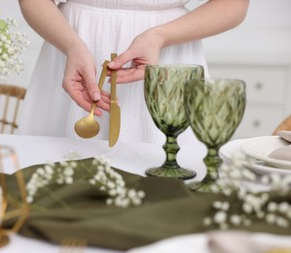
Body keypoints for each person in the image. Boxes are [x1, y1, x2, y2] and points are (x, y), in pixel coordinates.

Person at [17, 0, 249, 145]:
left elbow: (234, 4)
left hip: (169, 51)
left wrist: (159, 37)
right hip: (70, 43)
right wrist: (70, 45)